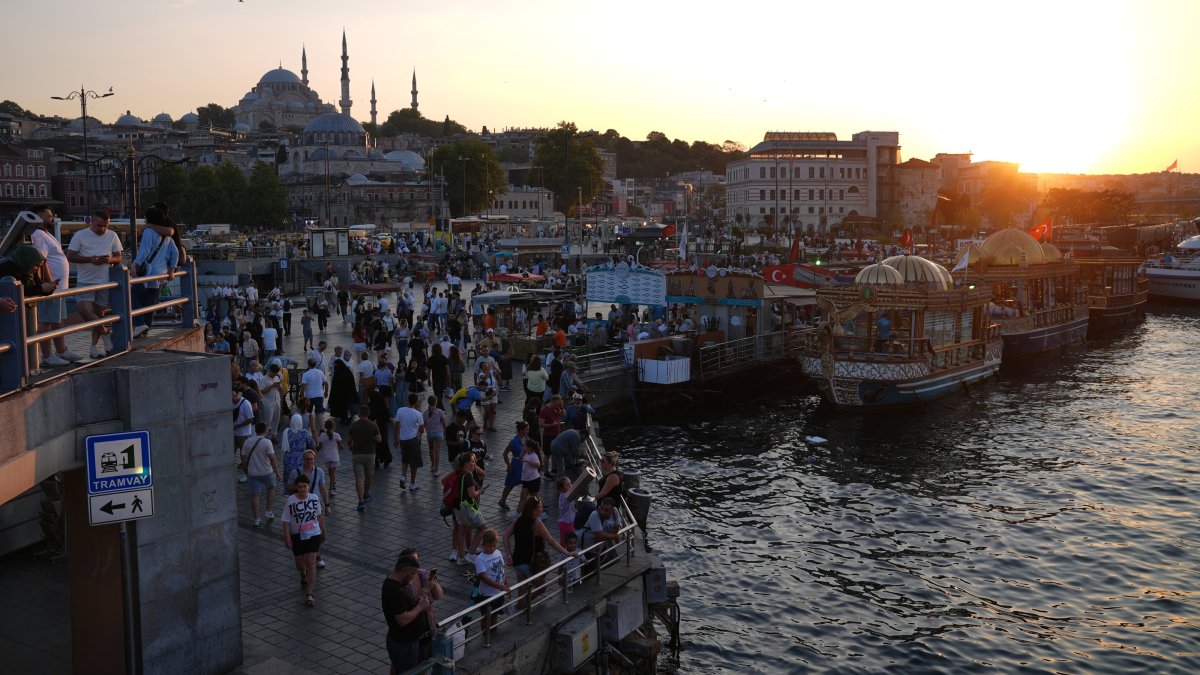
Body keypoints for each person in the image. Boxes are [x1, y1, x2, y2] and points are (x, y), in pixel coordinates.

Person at [28, 206, 83, 366]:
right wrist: (48, 283)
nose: (52, 218)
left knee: (58, 320)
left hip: (59, 287)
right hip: (51, 288)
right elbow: (40, 261)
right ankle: (46, 356)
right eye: (49, 216)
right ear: (39, 218)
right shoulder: (38, 235)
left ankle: (62, 351)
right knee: (46, 321)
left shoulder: (47, 234)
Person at [65, 210, 122, 358]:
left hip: (104, 281)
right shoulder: (80, 235)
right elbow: (70, 255)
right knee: (84, 310)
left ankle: (94, 347)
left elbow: (119, 257)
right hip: (85, 280)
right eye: (99, 225)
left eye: (105, 226)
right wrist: (90, 259)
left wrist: (109, 260)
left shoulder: (112, 235)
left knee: (99, 314)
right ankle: (105, 333)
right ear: (91, 222)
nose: (102, 229)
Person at [503, 497, 577, 609]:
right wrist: (567, 553)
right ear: (533, 509)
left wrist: (508, 555)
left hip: (517, 562)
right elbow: (551, 541)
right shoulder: (536, 523)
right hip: (530, 563)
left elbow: (505, 536)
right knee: (542, 587)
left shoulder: (518, 520)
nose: (541, 510)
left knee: (522, 590)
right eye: (540, 508)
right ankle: (521, 605)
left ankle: (519, 608)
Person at [382, 554, 440, 672]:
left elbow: (406, 606)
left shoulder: (399, 585)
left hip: (409, 642)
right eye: (412, 574)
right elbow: (402, 620)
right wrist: (420, 607)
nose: (414, 577)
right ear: (404, 572)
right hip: (404, 644)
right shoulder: (394, 590)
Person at [130, 206, 180, 338]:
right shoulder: (167, 236)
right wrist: (172, 269)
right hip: (161, 273)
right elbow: (175, 252)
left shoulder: (149, 233)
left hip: (149, 272)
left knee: (134, 296)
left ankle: (139, 324)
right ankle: (146, 326)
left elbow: (144, 252)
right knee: (150, 301)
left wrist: (135, 264)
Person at [281, 473, 325, 608]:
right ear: (296, 488)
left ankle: (310, 593)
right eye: (299, 487)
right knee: (300, 564)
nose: (302, 489)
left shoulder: (314, 498)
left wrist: (323, 530)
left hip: (313, 534)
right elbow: (286, 521)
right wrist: (287, 537)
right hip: (297, 536)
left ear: (308, 487)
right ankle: (303, 574)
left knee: (311, 562)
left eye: (304, 486)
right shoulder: (291, 501)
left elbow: (318, 515)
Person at [241, 422, 279, 527]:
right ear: (265, 430)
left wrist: (245, 468)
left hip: (252, 473)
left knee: (255, 495)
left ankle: (257, 519)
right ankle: (269, 510)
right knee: (271, 488)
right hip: (267, 472)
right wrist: (278, 472)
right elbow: (273, 459)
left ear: (255, 430)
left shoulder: (247, 442)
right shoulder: (267, 442)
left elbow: (243, 456)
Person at [451, 451, 486, 565]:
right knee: (482, 528)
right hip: (468, 507)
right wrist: (479, 491)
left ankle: (461, 558)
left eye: (475, 461)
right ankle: (471, 554)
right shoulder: (468, 476)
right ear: (465, 463)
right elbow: (472, 494)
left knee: (462, 531)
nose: (474, 463)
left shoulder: (461, 474)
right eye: (472, 461)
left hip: (459, 507)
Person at [474, 529, 509, 635]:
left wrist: (506, 583)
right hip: (487, 594)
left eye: (494, 546)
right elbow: (484, 577)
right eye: (489, 546)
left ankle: (493, 632)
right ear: (483, 544)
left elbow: (502, 570)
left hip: (498, 592)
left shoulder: (498, 553)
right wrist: (500, 586)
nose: (492, 549)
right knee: (486, 616)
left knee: (494, 614)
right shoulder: (480, 559)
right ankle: (485, 634)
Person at [348, 406, 381, 511]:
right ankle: (366, 494)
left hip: (357, 454)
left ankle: (360, 501)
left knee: (359, 478)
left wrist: (351, 446)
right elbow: (379, 440)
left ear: (359, 413)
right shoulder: (373, 425)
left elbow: (349, 440)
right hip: (370, 454)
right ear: (368, 414)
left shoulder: (353, 425)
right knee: (369, 476)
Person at [393, 393, 425, 491]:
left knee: (405, 459)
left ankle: (403, 477)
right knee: (414, 462)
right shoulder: (418, 414)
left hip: (403, 440)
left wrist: (396, 439)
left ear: (407, 400)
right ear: (415, 402)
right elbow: (422, 429)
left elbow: (396, 426)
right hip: (413, 440)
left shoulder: (400, 410)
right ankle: (412, 483)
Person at [497, 421, 530, 512]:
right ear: (520, 430)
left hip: (526, 464)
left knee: (528, 484)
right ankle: (502, 500)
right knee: (510, 484)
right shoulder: (514, 441)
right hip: (516, 465)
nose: (528, 431)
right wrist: (508, 465)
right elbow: (505, 453)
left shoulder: (527, 438)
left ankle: (531, 502)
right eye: (526, 429)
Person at [279, 413, 316, 483]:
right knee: (300, 478)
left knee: (289, 477)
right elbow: (312, 444)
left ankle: (288, 491)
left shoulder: (286, 432)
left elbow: (281, 445)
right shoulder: (304, 432)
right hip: (301, 458)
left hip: (288, 458)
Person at [300, 358, 329, 434]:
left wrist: (302, 396)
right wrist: (326, 392)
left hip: (309, 396)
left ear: (308, 365)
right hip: (319, 395)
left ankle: (308, 428)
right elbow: (326, 383)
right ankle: (322, 429)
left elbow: (303, 386)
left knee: (308, 412)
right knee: (319, 412)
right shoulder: (320, 372)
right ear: (316, 365)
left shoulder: (305, 374)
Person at [233, 388, 256, 483]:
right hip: (234, 434)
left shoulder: (246, 404)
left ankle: (248, 475)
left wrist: (237, 426)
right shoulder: (232, 403)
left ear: (236, 395)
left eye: (232, 397)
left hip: (243, 434)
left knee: (244, 457)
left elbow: (250, 419)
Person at [316, 418, 343, 497]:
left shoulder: (322, 436)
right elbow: (341, 446)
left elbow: (320, 446)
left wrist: (315, 450)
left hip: (327, 457)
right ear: (333, 427)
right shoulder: (337, 435)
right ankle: (332, 488)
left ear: (325, 427)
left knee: (330, 473)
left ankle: (332, 485)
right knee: (333, 473)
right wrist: (340, 446)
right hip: (334, 457)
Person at [328, 354, 358, 425]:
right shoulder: (346, 372)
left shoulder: (338, 373)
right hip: (346, 394)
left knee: (344, 407)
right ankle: (345, 418)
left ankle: (345, 418)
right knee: (345, 407)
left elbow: (335, 385)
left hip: (342, 394)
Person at [424, 394, 447, 477]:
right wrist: (447, 432)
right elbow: (444, 424)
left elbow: (423, 424)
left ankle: (432, 465)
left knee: (431, 449)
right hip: (438, 433)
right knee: (437, 452)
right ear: (436, 402)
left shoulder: (425, 412)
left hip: (430, 434)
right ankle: (436, 470)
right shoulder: (440, 411)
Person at [556, 476, 577, 545]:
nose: (571, 486)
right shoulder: (566, 496)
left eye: (570, 483)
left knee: (564, 541)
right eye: (567, 485)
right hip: (567, 523)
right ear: (562, 488)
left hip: (565, 521)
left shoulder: (563, 495)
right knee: (569, 542)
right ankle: (566, 554)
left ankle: (563, 554)